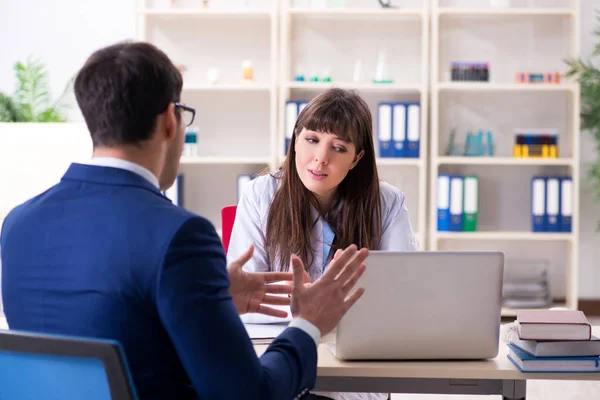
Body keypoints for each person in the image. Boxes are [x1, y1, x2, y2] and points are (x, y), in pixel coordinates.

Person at [0, 41, 369, 400]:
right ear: (170, 121)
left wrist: (210, 298)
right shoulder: (180, 236)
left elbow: (108, 330)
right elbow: (250, 394)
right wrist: (308, 324)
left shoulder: (18, 225)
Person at [227, 88, 419, 400]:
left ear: (357, 158)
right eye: (312, 139)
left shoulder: (387, 202)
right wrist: (311, 316)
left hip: (356, 368)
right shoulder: (259, 194)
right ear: (295, 139)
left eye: (339, 148)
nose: (321, 158)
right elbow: (246, 303)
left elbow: (402, 299)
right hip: (282, 354)